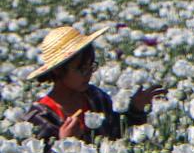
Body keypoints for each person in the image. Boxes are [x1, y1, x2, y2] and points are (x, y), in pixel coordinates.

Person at [24, 25, 165, 144]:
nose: (88, 74)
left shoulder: (96, 98)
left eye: (91, 67)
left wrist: (135, 109)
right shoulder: (40, 115)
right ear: (58, 70)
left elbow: (117, 136)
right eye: (81, 69)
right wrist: (65, 142)